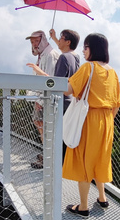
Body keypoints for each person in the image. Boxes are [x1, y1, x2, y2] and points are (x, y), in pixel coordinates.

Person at [63, 33, 120, 218]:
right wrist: (107, 120)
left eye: (86, 47)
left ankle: (83, 207)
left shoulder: (88, 67)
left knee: (85, 160)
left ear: (93, 48)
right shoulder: (112, 72)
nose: (83, 50)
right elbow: (117, 103)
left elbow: (68, 90)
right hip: (107, 121)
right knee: (100, 158)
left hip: (88, 119)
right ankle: (102, 198)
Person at [26, 29, 82, 169]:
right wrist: (55, 37)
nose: (59, 41)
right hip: (69, 100)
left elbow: (55, 83)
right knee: (57, 133)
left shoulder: (62, 57)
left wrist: (40, 72)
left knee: (50, 131)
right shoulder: (75, 57)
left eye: (62, 38)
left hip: (57, 101)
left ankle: (50, 160)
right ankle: (52, 158)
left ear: (68, 42)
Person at [25, 31, 61, 166]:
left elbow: (49, 79)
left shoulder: (50, 55)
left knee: (45, 127)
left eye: (36, 41)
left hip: (46, 99)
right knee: (40, 124)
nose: (34, 45)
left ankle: (49, 158)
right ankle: (47, 155)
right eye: (32, 42)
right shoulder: (43, 55)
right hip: (42, 98)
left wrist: (40, 101)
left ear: (43, 40)